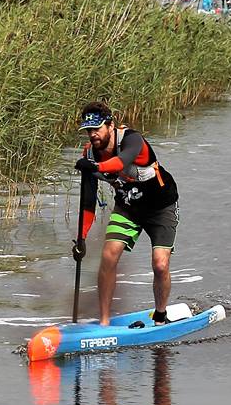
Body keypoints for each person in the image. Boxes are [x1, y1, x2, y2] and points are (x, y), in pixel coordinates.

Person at [74, 103, 180, 325]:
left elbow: (119, 163)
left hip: (161, 207)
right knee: (108, 255)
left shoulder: (132, 140)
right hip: (128, 208)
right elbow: (88, 202)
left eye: (97, 129)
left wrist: (94, 168)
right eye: (88, 130)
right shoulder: (90, 154)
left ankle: (160, 316)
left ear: (110, 125)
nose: (93, 134)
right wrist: (81, 239)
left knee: (160, 264)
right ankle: (104, 323)